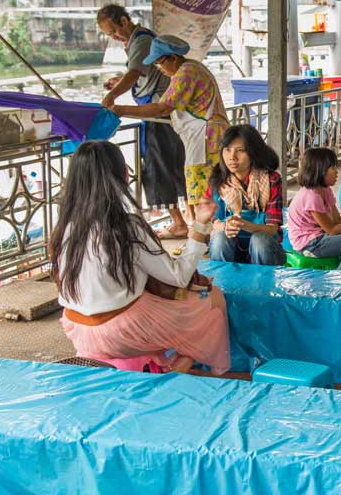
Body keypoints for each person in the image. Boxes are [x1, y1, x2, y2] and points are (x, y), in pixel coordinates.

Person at [52, 141, 229, 375]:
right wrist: (199, 226)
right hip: (121, 330)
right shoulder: (125, 226)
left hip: (76, 329)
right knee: (213, 300)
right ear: (123, 175)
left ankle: (159, 363)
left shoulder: (64, 226)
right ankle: (191, 370)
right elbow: (178, 276)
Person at [110, 34, 230, 222]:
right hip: (209, 136)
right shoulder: (194, 67)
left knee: (203, 192)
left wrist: (122, 110)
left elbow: (162, 107)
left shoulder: (185, 73)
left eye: (159, 63)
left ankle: (205, 237)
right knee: (214, 189)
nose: (159, 69)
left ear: (173, 58)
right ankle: (212, 233)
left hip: (205, 139)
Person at [96, 5, 188, 237]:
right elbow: (138, 75)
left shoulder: (142, 41)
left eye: (113, 32)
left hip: (160, 114)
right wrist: (120, 84)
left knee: (161, 167)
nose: (114, 38)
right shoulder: (137, 42)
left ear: (124, 21)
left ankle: (180, 222)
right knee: (170, 165)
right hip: (160, 113)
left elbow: (135, 74)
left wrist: (112, 96)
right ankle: (187, 219)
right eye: (108, 35)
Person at [206, 124, 286, 266]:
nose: (232, 157)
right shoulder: (218, 180)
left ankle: (262, 287)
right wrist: (225, 226)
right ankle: (223, 285)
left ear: (253, 152)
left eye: (240, 150)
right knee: (220, 238)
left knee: (259, 240)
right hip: (232, 248)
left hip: (265, 251)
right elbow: (215, 221)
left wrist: (243, 224)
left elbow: (273, 228)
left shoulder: (271, 180)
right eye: (227, 150)